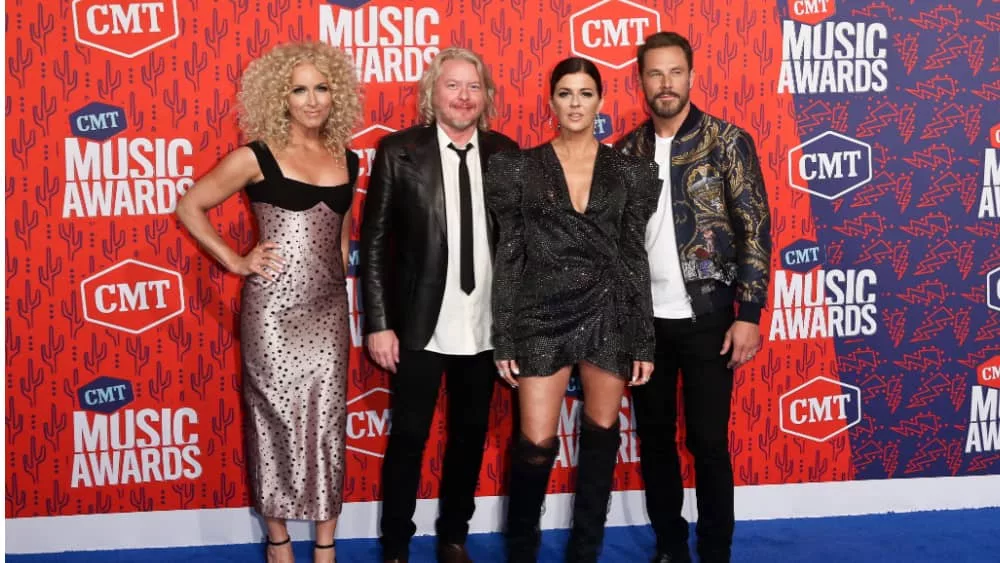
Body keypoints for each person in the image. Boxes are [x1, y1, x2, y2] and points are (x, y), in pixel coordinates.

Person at [175, 42, 362, 563]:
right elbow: (191, 205)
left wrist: (339, 275)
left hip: (327, 311)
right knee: (272, 420)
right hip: (273, 312)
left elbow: (342, 234)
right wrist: (236, 261)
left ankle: (325, 548)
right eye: (299, 89)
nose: (312, 100)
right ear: (280, 97)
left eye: (321, 88)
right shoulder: (255, 156)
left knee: (327, 424)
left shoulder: (349, 157)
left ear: (336, 94)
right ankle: (278, 541)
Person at [486, 57, 660, 563]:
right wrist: (506, 336)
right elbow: (510, 254)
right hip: (539, 315)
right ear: (551, 101)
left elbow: (633, 256)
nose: (576, 103)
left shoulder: (629, 170)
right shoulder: (519, 167)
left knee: (601, 437)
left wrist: (642, 337)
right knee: (535, 444)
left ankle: (585, 551)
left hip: (608, 311)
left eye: (585, 93)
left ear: (600, 101)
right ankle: (522, 552)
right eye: (565, 93)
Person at [614, 31, 772, 563]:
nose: (666, 84)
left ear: (691, 77)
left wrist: (748, 314)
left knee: (708, 444)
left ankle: (715, 551)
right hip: (644, 326)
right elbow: (614, 242)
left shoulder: (728, 141)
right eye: (655, 74)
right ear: (641, 81)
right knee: (656, 443)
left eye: (675, 72)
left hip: (709, 317)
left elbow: (754, 228)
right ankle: (670, 548)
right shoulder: (626, 151)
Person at [359, 47, 519, 563]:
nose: (464, 96)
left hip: (484, 324)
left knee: (469, 438)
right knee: (408, 438)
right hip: (418, 323)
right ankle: (397, 546)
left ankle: (453, 536)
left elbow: (517, 247)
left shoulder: (506, 153)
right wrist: (379, 324)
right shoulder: (398, 152)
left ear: (486, 96)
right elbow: (376, 242)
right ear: (432, 93)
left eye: (473, 87)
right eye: (453, 85)